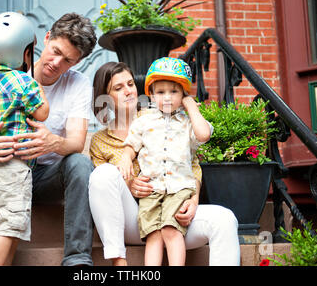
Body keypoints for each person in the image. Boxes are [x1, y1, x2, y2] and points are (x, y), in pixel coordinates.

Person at [0, 12, 97, 266]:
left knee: (81, 164)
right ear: (45, 38)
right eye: (56, 51)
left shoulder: (79, 84)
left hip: (45, 177)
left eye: (68, 60)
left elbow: (76, 143)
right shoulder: (9, 73)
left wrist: (52, 142)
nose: (56, 63)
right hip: (7, 170)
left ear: (77, 62)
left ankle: (77, 260)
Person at [88, 61, 241, 266]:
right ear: (104, 97)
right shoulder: (99, 141)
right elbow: (105, 191)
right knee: (103, 174)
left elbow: (192, 163)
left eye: (131, 84)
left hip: (174, 212)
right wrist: (130, 184)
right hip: (134, 219)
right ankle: (118, 261)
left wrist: (193, 200)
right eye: (118, 87)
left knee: (225, 219)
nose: (129, 91)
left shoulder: (163, 117)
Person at [117, 57, 212, 266]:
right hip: (152, 189)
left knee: (171, 230)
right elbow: (131, 145)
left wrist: (191, 107)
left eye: (174, 92)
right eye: (160, 92)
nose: (167, 98)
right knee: (153, 235)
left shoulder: (188, 123)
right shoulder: (143, 121)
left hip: (179, 188)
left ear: (183, 94)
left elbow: (204, 134)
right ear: (151, 94)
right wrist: (125, 158)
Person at [0, 11, 50, 266]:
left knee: (5, 230)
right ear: (24, 53)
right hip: (14, 167)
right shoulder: (23, 81)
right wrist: (36, 85)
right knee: (9, 230)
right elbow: (42, 112)